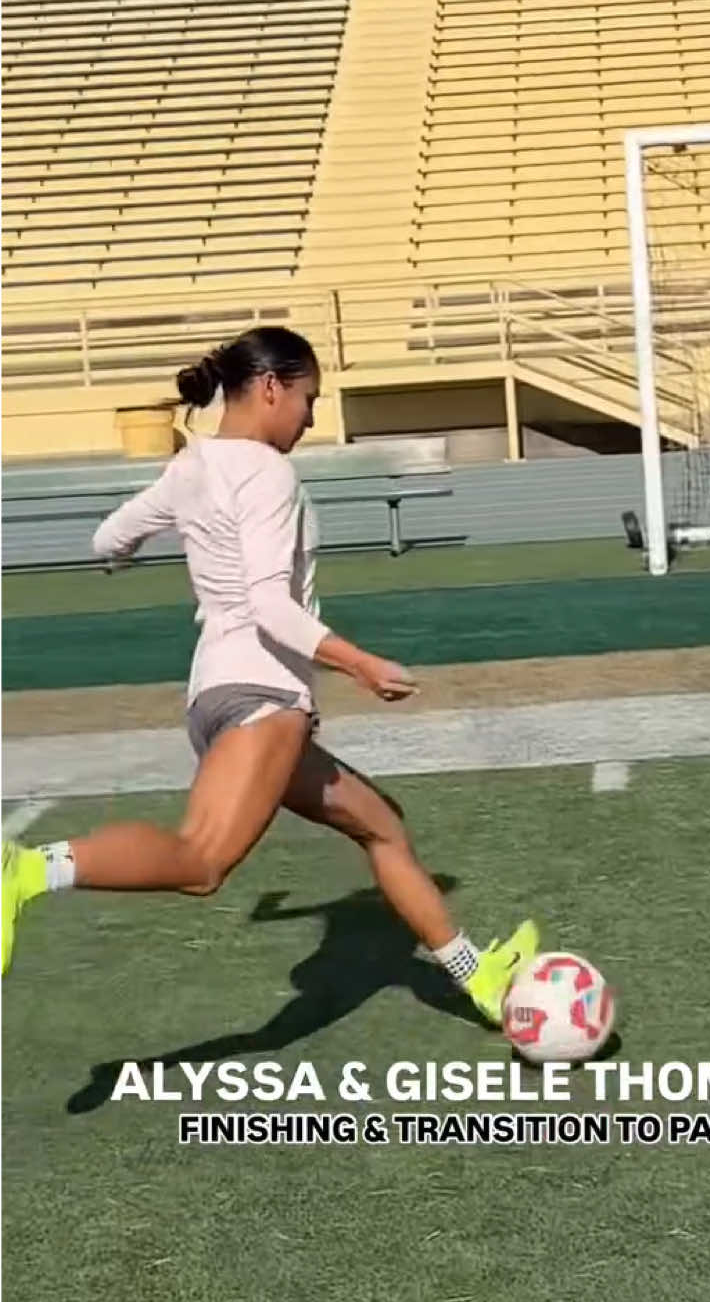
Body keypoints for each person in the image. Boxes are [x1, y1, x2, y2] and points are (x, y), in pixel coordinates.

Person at [1, 325, 537, 1024]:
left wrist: (130, 548)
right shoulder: (265, 471)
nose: (311, 417)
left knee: (382, 825)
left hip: (217, 695)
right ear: (270, 386)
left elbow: (108, 537)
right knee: (201, 861)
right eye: (308, 398)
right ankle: (30, 868)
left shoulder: (190, 467)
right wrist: (360, 662)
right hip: (262, 694)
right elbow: (268, 605)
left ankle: (479, 976)